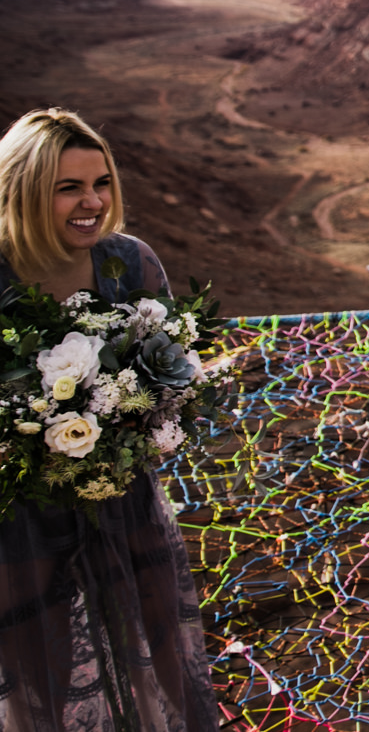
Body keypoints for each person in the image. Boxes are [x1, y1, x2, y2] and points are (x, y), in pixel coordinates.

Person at [0, 108, 219, 731]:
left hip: (124, 497)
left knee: (163, 646)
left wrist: (138, 422)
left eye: (101, 183)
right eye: (68, 187)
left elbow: (173, 372)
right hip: (18, 517)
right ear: (21, 189)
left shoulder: (130, 264)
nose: (91, 202)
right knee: (38, 666)